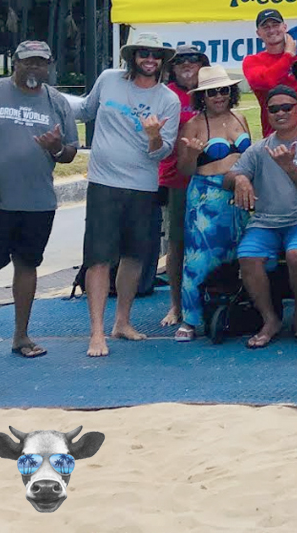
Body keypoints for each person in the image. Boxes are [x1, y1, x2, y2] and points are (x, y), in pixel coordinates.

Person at [0, 40, 78, 370]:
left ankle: (21, 337)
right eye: (28, 61)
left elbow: (69, 152)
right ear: (15, 62)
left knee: (27, 266)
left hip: (38, 202)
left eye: (41, 62)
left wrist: (56, 148)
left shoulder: (57, 102)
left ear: (49, 66)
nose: (34, 67)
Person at [77, 32, 182, 358]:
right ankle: (97, 332)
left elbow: (162, 153)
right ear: (132, 56)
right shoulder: (108, 79)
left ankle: (122, 321)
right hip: (103, 183)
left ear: (163, 61)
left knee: (134, 257)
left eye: (156, 55)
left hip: (143, 186)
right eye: (143, 53)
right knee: (98, 258)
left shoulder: (169, 100)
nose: (150, 60)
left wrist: (153, 136)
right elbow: (84, 110)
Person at [225, 86, 297, 351]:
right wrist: (240, 179)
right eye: (274, 109)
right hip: (266, 222)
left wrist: (289, 167)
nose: (280, 113)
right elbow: (229, 176)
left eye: (287, 107)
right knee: (247, 256)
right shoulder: (260, 148)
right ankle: (270, 319)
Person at [172, 66, 251, 343]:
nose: (219, 96)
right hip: (207, 197)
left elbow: (249, 157)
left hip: (239, 194)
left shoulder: (241, 118)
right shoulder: (194, 125)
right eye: (212, 92)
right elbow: (184, 169)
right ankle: (190, 319)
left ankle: (240, 307)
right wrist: (193, 154)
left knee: (240, 252)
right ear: (202, 97)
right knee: (199, 258)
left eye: (223, 90)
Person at [156, 44, 207, 330]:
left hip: (209, 179)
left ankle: (206, 297)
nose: (187, 64)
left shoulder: (212, 92)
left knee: (208, 241)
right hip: (176, 179)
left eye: (194, 60)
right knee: (177, 244)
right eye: (181, 61)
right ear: (172, 68)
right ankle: (176, 304)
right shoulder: (165, 95)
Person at [242, 8, 297, 136]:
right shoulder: (252, 61)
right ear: (258, 33)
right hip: (275, 134)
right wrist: (288, 56)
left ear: (284, 27)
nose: (272, 30)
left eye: (275, 25)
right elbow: (267, 82)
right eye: (266, 27)